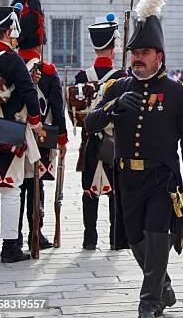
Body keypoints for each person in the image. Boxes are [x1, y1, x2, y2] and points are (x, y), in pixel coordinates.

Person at [85, 0, 183, 318]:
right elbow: (90, 123)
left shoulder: (179, 94)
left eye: (144, 53)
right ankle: (162, 285)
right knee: (136, 241)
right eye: (133, 52)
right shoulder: (118, 88)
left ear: (159, 56)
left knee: (157, 235)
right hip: (127, 179)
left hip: (161, 178)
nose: (136, 58)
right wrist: (114, 105)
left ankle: (148, 303)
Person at [0, 5, 45, 263]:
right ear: (10, 30)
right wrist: (36, 122)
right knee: (10, 189)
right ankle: (9, 247)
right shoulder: (14, 59)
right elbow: (29, 93)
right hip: (10, 130)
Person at [9, 0, 68, 252]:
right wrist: (63, 139)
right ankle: (37, 232)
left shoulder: (5, 65)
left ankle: (16, 236)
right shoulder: (48, 71)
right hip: (40, 136)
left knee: (15, 189)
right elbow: (57, 106)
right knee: (36, 185)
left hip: (8, 134)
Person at [74, 14, 128, 251]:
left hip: (88, 141)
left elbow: (75, 114)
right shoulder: (121, 79)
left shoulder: (80, 77)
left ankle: (89, 239)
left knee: (89, 191)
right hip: (112, 140)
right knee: (115, 192)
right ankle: (116, 239)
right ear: (114, 47)